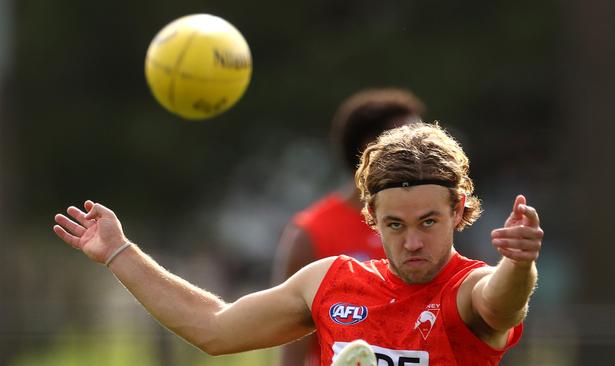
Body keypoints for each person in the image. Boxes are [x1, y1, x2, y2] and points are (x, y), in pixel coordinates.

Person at [53, 122, 543, 365]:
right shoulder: (329, 280)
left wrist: (519, 264)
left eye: (429, 222)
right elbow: (215, 329)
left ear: (459, 210)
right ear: (370, 216)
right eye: (395, 225)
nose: (413, 242)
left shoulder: (468, 287)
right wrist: (120, 253)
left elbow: (502, 302)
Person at [272, 88, 425, 366]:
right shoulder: (310, 233)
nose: (422, 152)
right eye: (409, 140)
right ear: (370, 146)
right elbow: (289, 345)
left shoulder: (429, 226)